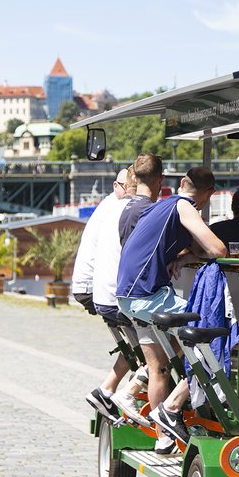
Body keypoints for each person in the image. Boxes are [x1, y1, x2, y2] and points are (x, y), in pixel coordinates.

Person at [116, 166, 226, 446]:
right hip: (145, 294)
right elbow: (217, 250)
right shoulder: (184, 205)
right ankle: (172, 406)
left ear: (181, 183)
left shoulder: (162, 205)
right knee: (212, 338)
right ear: (208, 194)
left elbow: (197, 249)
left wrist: (184, 258)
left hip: (131, 294)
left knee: (166, 361)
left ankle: (157, 412)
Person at [70, 167, 141, 422]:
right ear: (116, 186)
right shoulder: (121, 208)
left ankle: (111, 389)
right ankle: (127, 390)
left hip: (92, 288)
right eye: (128, 186)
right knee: (151, 340)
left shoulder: (110, 206)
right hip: (96, 289)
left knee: (137, 341)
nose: (131, 191)